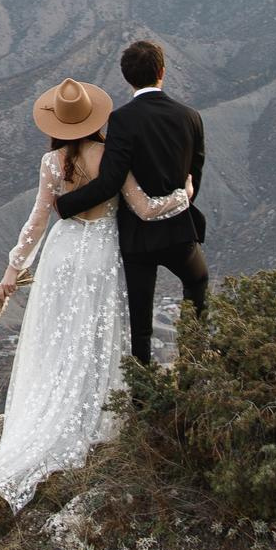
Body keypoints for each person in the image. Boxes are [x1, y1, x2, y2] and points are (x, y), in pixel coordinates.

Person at [0, 78, 193, 524]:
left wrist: (10, 273)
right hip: (101, 256)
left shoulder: (51, 162)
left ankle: (45, 413)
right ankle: (94, 411)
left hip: (61, 256)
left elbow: (36, 221)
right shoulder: (115, 156)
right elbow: (144, 208)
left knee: (55, 340)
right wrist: (184, 195)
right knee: (95, 336)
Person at [51, 38, 208, 361]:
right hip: (180, 231)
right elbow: (196, 174)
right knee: (198, 283)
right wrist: (180, 203)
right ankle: (194, 366)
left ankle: (141, 397)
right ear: (162, 71)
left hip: (137, 239)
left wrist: (65, 205)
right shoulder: (190, 117)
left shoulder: (122, 120)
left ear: (127, 77)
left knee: (141, 322)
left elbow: (110, 182)